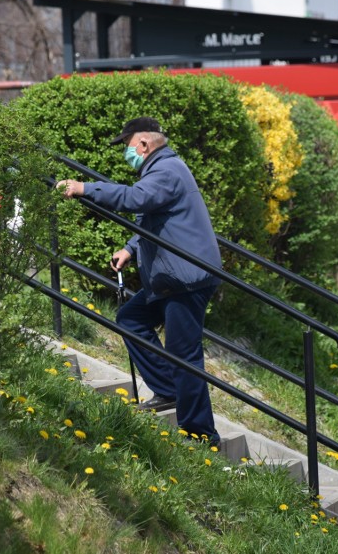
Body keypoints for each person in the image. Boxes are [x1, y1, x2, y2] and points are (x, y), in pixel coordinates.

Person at [57, 116, 222, 444]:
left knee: (183, 355)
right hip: (173, 277)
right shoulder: (164, 168)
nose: (126, 152)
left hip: (186, 279)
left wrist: (83, 188)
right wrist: (131, 249)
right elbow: (155, 217)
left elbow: (135, 200)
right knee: (131, 318)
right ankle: (168, 390)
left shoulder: (166, 171)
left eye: (127, 145)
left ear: (143, 144)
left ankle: (201, 434)